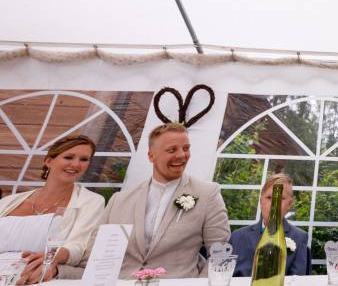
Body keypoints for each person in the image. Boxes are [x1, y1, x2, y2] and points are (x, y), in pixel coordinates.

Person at [57, 122, 231, 279]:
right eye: (172, 150)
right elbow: (95, 258)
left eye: (186, 148)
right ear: (151, 156)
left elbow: (221, 254)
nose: (182, 155)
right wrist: (58, 271)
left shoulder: (207, 194)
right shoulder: (119, 200)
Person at [0, 135, 104, 285]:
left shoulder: (91, 201)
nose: (76, 164)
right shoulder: (8, 202)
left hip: (34, 276)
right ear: (48, 161)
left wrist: (53, 257)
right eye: (68, 157)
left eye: (84, 159)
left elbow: (79, 246)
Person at [230, 172, 311, 277]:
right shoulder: (237, 237)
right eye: (269, 197)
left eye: (281, 198)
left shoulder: (299, 238)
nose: (274, 204)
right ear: (261, 201)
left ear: (289, 204)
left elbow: (298, 280)